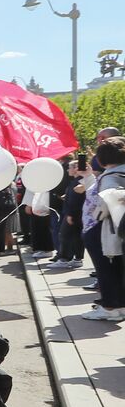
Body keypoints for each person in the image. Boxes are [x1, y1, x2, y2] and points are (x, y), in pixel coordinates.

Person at [82, 136, 125, 322]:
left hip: (104, 229)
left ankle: (110, 308)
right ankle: (118, 305)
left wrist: (97, 215)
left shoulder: (110, 176)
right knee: (116, 269)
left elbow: (107, 201)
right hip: (116, 229)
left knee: (105, 269)